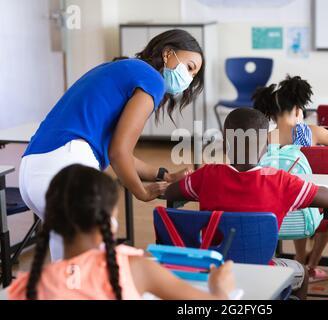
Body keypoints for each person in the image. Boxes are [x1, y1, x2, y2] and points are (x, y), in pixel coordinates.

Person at [19, 29, 203, 260]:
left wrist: (163, 175)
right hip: (64, 167)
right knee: (98, 262)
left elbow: (118, 151)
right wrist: (142, 192)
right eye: (189, 67)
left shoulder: (124, 68)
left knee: (71, 269)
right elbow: (119, 153)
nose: (189, 78)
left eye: (194, 74)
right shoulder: (152, 79)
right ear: (168, 54)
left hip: (34, 171)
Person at [165, 108, 328, 299]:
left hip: (214, 267)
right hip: (263, 270)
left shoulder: (206, 176)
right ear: (266, 145)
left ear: (225, 145)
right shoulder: (282, 182)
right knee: (301, 271)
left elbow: (171, 192)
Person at [8, 165, 235, 300]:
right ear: (110, 220)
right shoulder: (136, 269)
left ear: (51, 221)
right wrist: (220, 290)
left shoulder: (24, 288)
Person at [253, 75, 328, 283]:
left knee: (294, 197)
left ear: (272, 114)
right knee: (323, 206)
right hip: (314, 209)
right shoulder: (312, 133)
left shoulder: (263, 138)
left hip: (276, 211)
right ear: (298, 110)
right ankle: (312, 264)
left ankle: (300, 257)